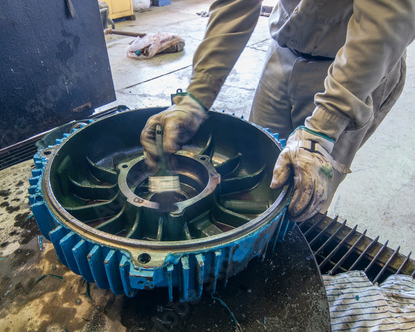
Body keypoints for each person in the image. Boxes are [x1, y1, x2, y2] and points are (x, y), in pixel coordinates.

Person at [141, 0, 415, 221]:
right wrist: (196, 97)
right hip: (284, 50)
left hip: (355, 69)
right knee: (257, 175)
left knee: (305, 193)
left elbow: (389, 16)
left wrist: (323, 129)